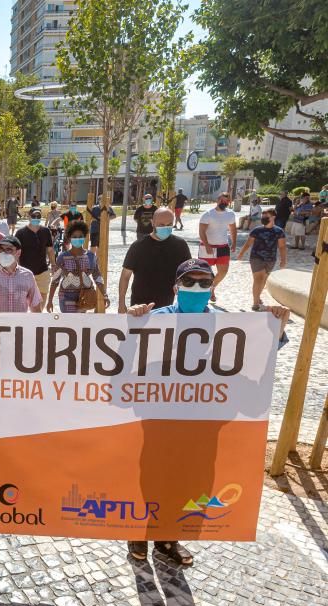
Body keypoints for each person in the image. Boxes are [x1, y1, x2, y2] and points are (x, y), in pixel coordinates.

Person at [125, 258, 292, 567]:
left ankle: (167, 539)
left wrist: (275, 329)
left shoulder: (228, 323)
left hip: (205, 423)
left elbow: (257, 353)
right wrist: (130, 322)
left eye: (205, 282)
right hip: (159, 420)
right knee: (152, 477)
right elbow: (121, 355)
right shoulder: (155, 319)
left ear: (212, 288)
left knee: (190, 480)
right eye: (190, 282)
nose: (197, 287)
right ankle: (140, 533)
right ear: (176, 288)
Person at [118, 207, 192, 313]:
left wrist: (180, 284)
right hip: (139, 307)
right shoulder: (138, 246)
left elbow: (188, 272)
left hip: (167, 307)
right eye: (161, 225)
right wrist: (121, 303)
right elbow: (125, 276)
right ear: (152, 223)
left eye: (169, 224)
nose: (165, 227)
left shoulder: (180, 245)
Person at [46, 221, 107, 313]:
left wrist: (105, 295)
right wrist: (50, 301)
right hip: (66, 297)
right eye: (74, 237)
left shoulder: (91, 256)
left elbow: (97, 276)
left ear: (84, 237)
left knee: (80, 324)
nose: (77, 239)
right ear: (69, 238)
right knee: (69, 324)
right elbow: (55, 280)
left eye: (80, 237)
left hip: (85, 296)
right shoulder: (62, 257)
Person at [236, 209, 287, 311]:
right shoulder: (256, 230)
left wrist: (283, 260)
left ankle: (257, 297)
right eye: (262, 216)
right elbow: (248, 243)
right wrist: (241, 253)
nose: (263, 218)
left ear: (273, 217)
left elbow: (282, 246)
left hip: (271, 259)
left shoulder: (279, 232)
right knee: (258, 279)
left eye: (266, 216)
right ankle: (255, 303)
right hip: (256, 258)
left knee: (263, 280)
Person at [198, 192, 237, 302]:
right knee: (205, 273)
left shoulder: (230, 214)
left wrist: (234, 243)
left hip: (223, 247)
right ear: (218, 200)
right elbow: (201, 231)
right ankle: (203, 293)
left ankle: (211, 288)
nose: (224, 202)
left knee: (223, 272)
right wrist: (206, 245)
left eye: (226, 201)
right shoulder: (208, 214)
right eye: (222, 200)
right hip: (207, 247)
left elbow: (233, 229)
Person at [16, 207, 55, 311]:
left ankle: (37, 323)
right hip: (25, 274)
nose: (36, 218)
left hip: (43, 272)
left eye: (38, 216)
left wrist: (54, 265)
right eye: (34, 216)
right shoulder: (20, 233)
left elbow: (50, 250)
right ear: (29, 217)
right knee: (24, 305)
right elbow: (16, 254)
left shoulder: (46, 231)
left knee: (40, 307)